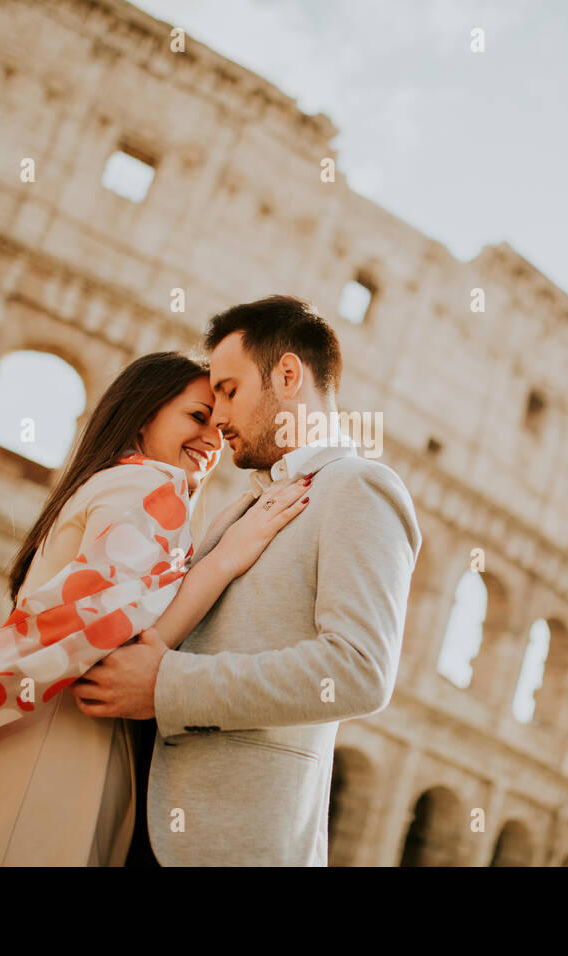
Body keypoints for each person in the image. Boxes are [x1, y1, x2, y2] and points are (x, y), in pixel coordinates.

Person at [0, 351, 312, 866]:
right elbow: (122, 643)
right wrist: (231, 554)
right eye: (195, 416)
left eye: (219, 423)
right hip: (63, 747)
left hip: (31, 733)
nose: (212, 439)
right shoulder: (150, 486)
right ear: (143, 413)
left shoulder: (109, 481)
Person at [71, 295, 423, 865]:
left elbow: (358, 670)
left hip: (235, 838)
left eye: (230, 391)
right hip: (147, 821)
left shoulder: (358, 488)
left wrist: (166, 685)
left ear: (288, 375)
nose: (221, 418)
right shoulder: (242, 507)